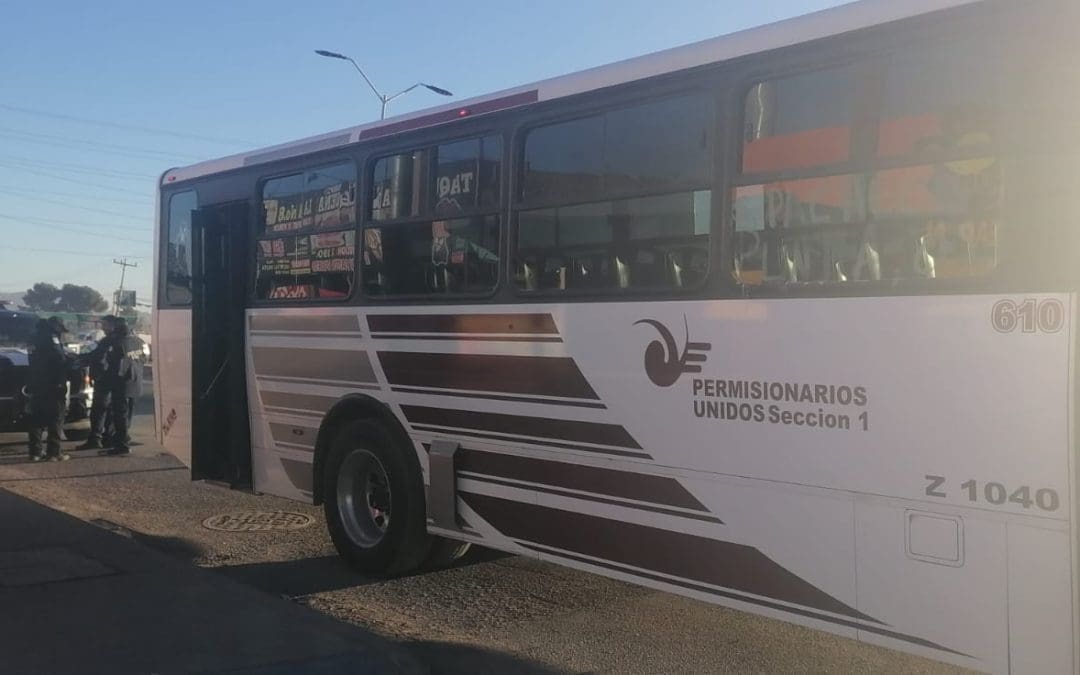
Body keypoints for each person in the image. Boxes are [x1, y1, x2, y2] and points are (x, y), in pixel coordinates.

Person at [26, 317, 71, 462]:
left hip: (36, 383)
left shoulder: (33, 338)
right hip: (53, 384)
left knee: (36, 418)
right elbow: (59, 359)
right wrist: (71, 361)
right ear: (55, 327)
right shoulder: (51, 338)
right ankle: (54, 452)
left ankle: (35, 452)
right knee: (56, 418)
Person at [96, 318, 143, 456]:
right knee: (127, 414)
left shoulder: (118, 343)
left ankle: (122, 445)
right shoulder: (139, 342)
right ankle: (123, 439)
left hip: (121, 384)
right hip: (135, 382)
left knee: (119, 415)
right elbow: (144, 359)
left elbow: (112, 364)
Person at [75, 315, 116, 451]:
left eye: (105, 325)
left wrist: (78, 359)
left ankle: (95, 439)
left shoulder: (108, 340)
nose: (103, 328)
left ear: (111, 325)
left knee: (98, 411)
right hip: (113, 381)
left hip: (103, 380)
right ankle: (108, 438)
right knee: (109, 410)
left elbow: (97, 357)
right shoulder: (119, 339)